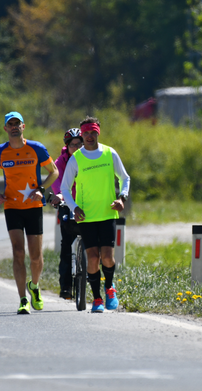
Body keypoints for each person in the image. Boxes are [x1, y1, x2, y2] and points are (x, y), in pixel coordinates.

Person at [0, 111, 59, 315]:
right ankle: (22, 300)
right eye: (10, 124)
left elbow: (54, 171)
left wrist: (41, 189)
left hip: (33, 206)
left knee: (35, 256)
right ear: (5, 128)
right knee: (18, 252)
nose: (13, 127)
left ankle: (34, 287)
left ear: (23, 126)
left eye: (17, 123)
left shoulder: (36, 148)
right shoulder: (0, 152)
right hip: (12, 207)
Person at [60, 116, 130, 313]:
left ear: (98, 132)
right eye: (86, 133)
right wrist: (74, 207)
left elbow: (125, 178)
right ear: (81, 135)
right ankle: (97, 299)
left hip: (108, 213)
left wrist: (122, 198)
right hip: (87, 217)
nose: (89, 136)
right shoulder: (76, 159)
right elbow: (65, 188)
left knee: (107, 257)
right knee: (92, 258)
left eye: (93, 132)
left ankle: (109, 288)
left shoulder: (110, 153)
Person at [49, 128, 83, 299]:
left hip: (87, 207)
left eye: (79, 144)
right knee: (66, 246)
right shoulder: (60, 163)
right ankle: (66, 287)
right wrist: (60, 197)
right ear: (67, 147)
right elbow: (59, 185)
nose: (76, 148)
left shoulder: (90, 158)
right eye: (72, 145)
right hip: (67, 205)